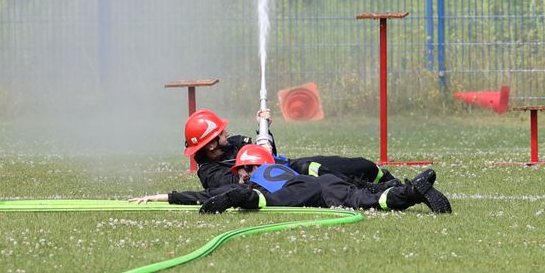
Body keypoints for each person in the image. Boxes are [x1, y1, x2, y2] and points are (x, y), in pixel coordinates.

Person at [181, 108, 430, 204]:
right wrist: (258, 164)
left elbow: (268, 155)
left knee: (362, 165)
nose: (225, 131)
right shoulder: (210, 173)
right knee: (329, 181)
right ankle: (385, 190)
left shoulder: (234, 142)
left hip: (291, 166)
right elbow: (245, 184)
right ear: (210, 145)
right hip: (290, 180)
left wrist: (264, 130)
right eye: (219, 131)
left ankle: (382, 179)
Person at [159, 143, 451, 214]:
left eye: (242, 171)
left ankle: (409, 193)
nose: (241, 175)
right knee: (367, 198)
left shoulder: (257, 178)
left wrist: (169, 197)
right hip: (326, 185)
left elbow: (205, 195)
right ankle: (410, 190)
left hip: (305, 192)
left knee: (259, 198)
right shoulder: (277, 168)